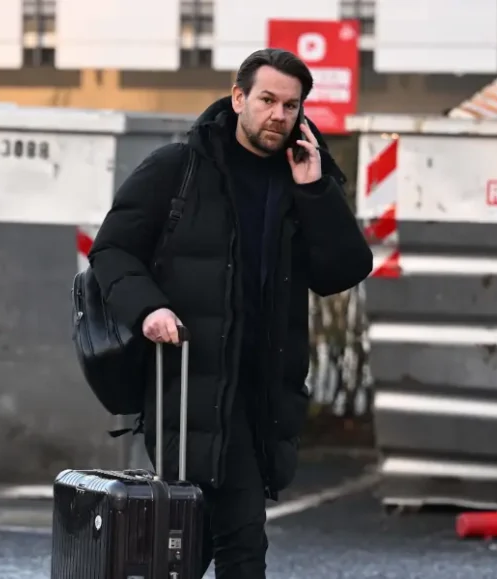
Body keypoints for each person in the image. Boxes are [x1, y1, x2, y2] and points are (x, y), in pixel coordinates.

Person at [87, 48, 373, 578]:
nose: (278, 116)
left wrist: (315, 192)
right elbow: (111, 251)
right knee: (242, 540)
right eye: (267, 100)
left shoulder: (302, 177)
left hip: (264, 390)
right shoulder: (180, 167)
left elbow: (343, 271)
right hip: (189, 385)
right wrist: (148, 308)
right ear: (239, 97)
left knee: (192, 542)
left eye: (291, 105)